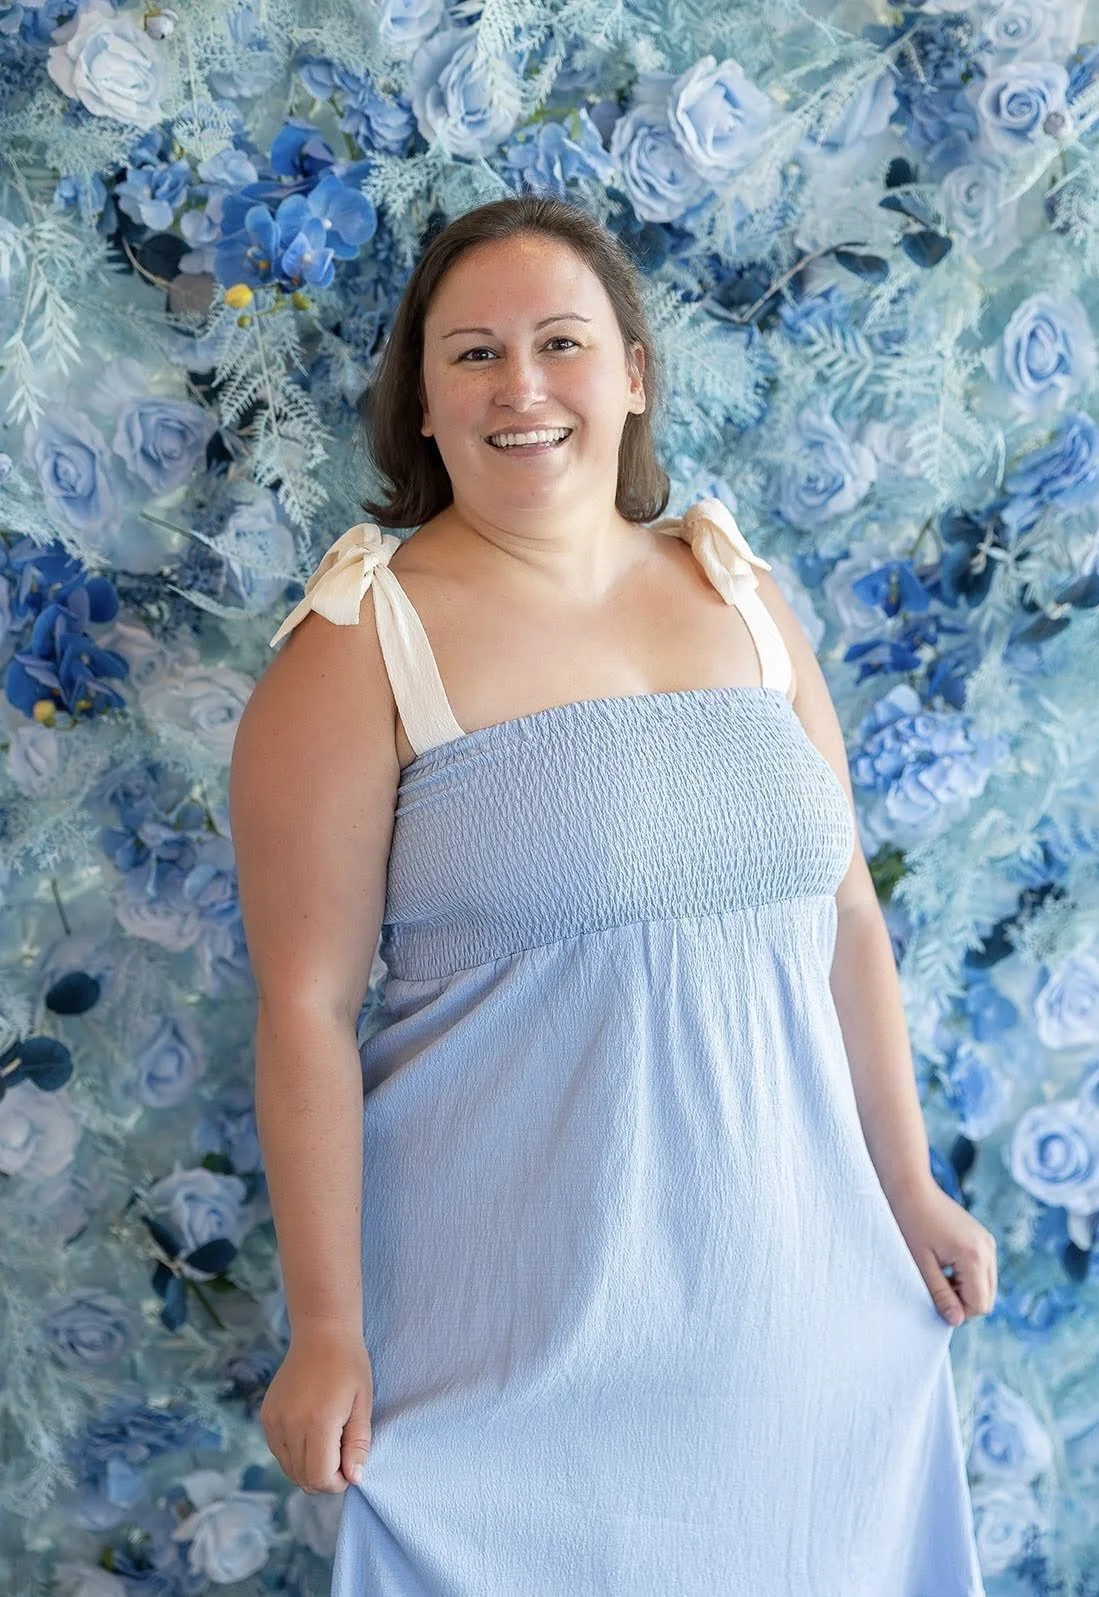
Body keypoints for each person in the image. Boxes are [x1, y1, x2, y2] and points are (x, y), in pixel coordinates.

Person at [228, 193, 997, 1595]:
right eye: (472, 354)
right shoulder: (359, 647)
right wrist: (328, 1325)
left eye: (561, 342)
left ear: (633, 373)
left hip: (798, 1314)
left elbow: (846, 925)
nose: (521, 387)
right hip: (521, 1335)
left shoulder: (745, 598)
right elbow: (304, 1009)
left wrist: (912, 1191)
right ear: (422, 405)